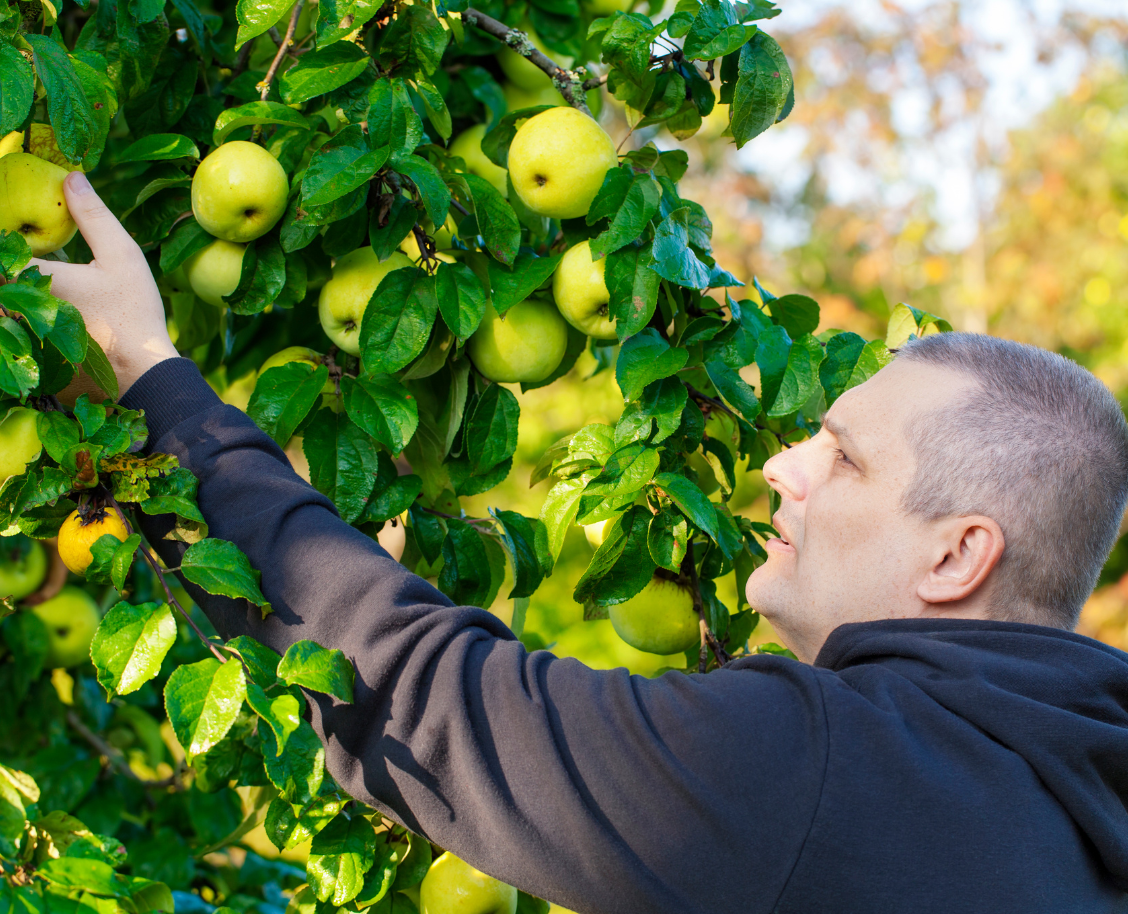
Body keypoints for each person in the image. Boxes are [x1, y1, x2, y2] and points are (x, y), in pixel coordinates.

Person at [31, 171, 1128, 914]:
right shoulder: (1079, 801)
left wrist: (145, 371)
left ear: (957, 555)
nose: (779, 467)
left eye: (840, 458)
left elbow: (426, 695)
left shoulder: (832, 772)